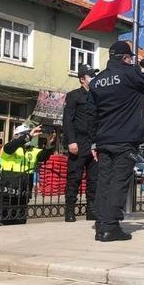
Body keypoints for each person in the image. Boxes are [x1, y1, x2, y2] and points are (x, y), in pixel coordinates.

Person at [89, 41, 144, 242]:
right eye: (129, 57)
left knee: (104, 181)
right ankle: (110, 227)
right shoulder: (130, 73)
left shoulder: (96, 82)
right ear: (125, 57)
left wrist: (94, 142)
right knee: (119, 182)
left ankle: (100, 224)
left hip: (104, 138)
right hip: (125, 138)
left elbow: (93, 113)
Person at [0, 124, 55, 225]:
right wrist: (28, 136)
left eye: (29, 134)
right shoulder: (8, 148)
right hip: (7, 193)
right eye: (24, 134)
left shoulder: (33, 150)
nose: (28, 137)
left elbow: (43, 156)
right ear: (16, 136)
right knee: (3, 224)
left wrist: (49, 144)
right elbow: (11, 146)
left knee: (20, 224)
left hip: (23, 194)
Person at [62, 65, 99, 222]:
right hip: (78, 142)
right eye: (91, 76)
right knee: (74, 178)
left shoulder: (98, 96)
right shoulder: (73, 96)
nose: (93, 78)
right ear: (82, 79)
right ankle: (69, 210)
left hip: (94, 144)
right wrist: (71, 141)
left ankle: (91, 210)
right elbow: (67, 120)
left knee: (94, 179)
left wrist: (98, 144)